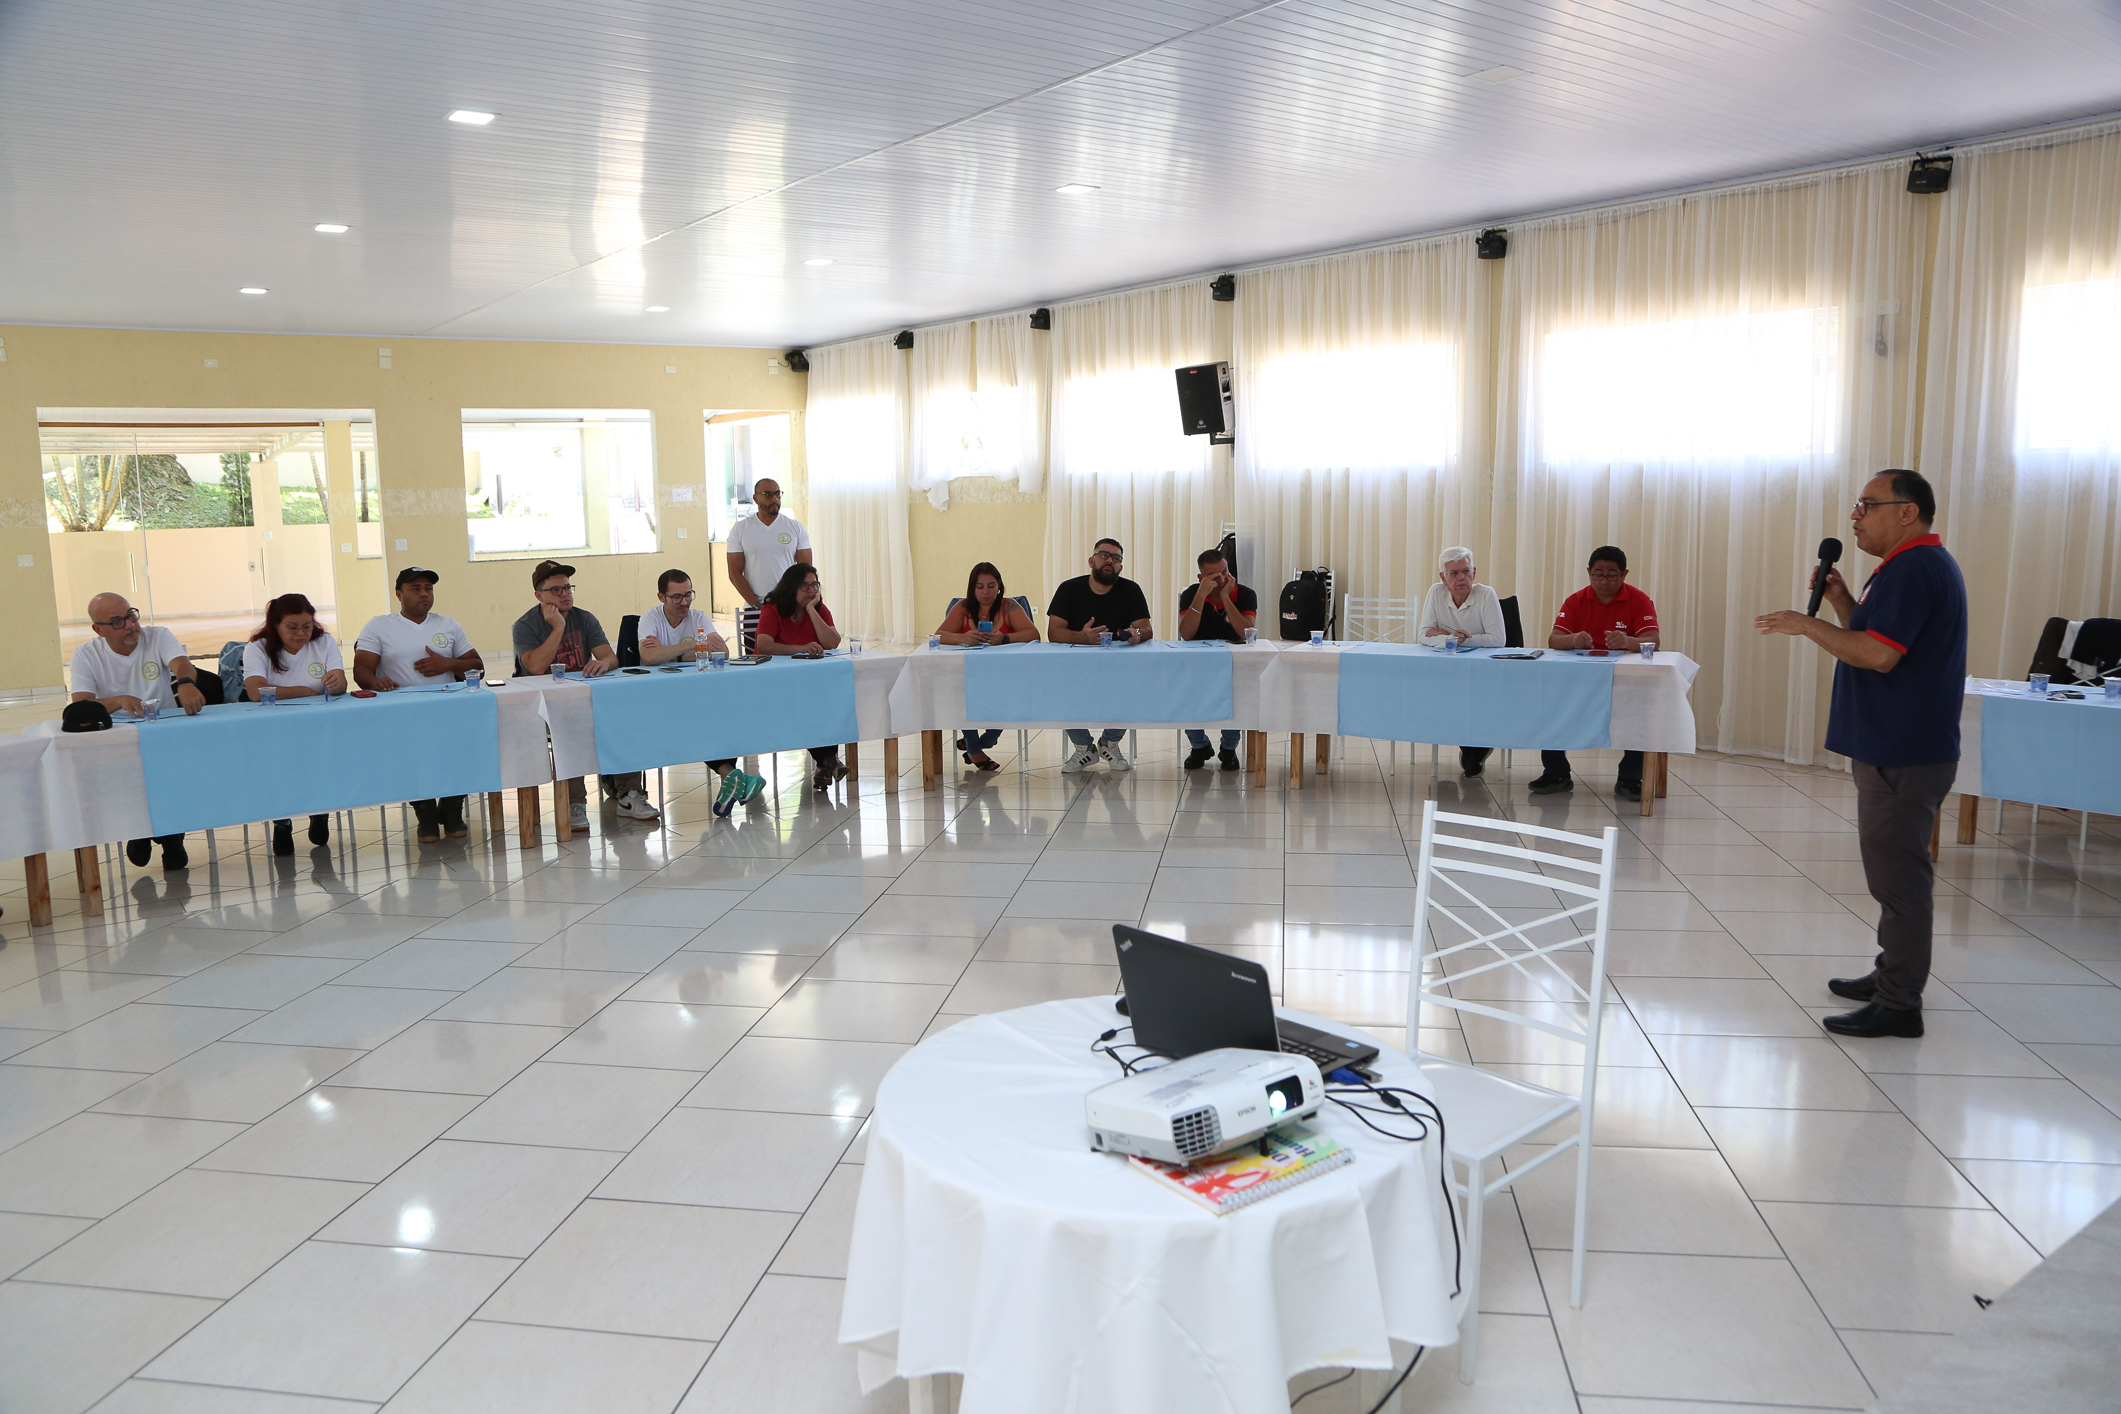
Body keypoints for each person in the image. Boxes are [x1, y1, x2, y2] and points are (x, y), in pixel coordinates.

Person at [1756, 470, 1966, 1039]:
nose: (1855, 517)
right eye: (1856, 506)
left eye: (1867, 506)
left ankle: (1900, 1003)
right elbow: (1879, 637)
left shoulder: (1915, 569)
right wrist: (1845, 601)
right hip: (1892, 742)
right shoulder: (1901, 568)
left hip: (1903, 748)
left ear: (1907, 512)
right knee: (1891, 874)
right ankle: (1891, 973)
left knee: (1899, 878)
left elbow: (1877, 656)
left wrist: (1806, 624)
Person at [513, 559, 660, 828]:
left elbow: (609, 657)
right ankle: (574, 802)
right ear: (539, 596)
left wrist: (604, 662)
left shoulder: (584, 617)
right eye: (556, 590)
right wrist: (557, 627)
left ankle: (629, 794)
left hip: (584, 695)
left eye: (568, 588)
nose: (565, 594)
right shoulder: (525, 625)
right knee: (567, 727)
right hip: (545, 703)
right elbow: (535, 667)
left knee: (623, 720)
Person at [68, 592, 203, 869]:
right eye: (117, 622)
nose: (130, 625)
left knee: (174, 774)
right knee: (129, 780)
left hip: (165, 731)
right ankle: (139, 830)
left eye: (131, 615)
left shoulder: (158, 636)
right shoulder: (86, 654)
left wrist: (185, 682)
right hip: (117, 737)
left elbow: (180, 663)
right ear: (99, 630)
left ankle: (172, 837)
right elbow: (81, 704)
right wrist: (118, 700)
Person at [353, 567, 485, 843]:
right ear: (399, 594)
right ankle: (425, 814)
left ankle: (451, 810)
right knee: (412, 762)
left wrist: (448, 663)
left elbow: (477, 667)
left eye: (429, 588)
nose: (424, 594)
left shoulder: (447, 624)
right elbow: (361, 670)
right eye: (416, 588)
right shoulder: (379, 626)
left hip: (448, 705)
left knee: (458, 756)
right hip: (403, 709)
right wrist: (377, 682)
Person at [639, 568, 765, 818]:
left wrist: (669, 651)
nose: (684, 602)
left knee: (725, 717)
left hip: (700, 690)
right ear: (661, 596)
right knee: (696, 722)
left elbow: (723, 654)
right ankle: (731, 777)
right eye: (676, 597)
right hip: (662, 695)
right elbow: (649, 657)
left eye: (688, 595)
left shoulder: (699, 617)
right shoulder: (649, 618)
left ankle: (730, 777)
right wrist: (693, 646)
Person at [1535, 546, 1659, 800]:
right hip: (1580, 676)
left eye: (1611, 575)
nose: (1604, 580)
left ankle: (1630, 777)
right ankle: (1556, 772)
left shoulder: (1639, 599)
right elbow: (1554, 639)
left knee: (1640, 711)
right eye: (1598, 574)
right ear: (1589, 572)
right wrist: (1573, 639)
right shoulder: (1576, 600)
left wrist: (1627, 641)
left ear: (1624, 574)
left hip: (1624, 676)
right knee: (1550, 706)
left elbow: (1653, 641)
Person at [242, 592, 346, 855]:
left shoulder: (324, 642)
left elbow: (341, 685)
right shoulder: (258, 648)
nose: (301, 634)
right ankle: (282, 824)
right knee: (280, 773)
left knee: (320, 767)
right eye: (292, 627)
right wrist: (305, 690)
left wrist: (336, 683)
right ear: (275, 626)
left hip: (318, 723)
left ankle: (319, 814)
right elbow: (256, 691)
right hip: (274, 726)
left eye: (307, 626)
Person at [1047, 539, 1154, 774]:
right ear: (1091, 560)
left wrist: (1136, 634)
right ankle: (1085, 748)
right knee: (1059, 687)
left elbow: (1146, 630)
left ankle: (1109, 743)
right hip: (1075, 664)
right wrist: (1082, 637)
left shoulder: (1131, 589)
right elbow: (1053, 632)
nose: (1110, 561)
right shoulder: (1069, 588)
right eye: (1104, 555)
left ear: (1120, 567)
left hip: (1118, 665)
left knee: (1133, 685)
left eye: (1116, 558)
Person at [934, 561, 1040, 770]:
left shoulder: (1009, 606)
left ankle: (985, 741)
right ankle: (974, 748)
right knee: (960, 694)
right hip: (968, 675)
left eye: (991, 586)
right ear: (972, 589)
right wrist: (963, 638)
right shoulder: (963, 607)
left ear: (999, 586)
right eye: (980, 587)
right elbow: (938, 635)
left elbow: (1033, 634)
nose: (986, 592)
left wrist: (1005, 639)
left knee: (1014, 694)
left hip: (1005, 676)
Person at [753, 562, 848, 792]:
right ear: (791, 587)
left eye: (815, 584)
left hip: (808, 680)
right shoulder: (773, 609)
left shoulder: (818, 609)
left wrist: (812, 611)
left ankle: (826, 763)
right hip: (773, 681)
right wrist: (801, 647)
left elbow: (833, 643)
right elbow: (763, 645)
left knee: (826, 701)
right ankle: (828, 760)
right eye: (805, 586)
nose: (811, 590)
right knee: (808, 704)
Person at [1421, 546, 1508, 776]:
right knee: (1441, 695)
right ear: (1443, 577)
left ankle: (1475, 750)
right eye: (1454, 573)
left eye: (1466, 571)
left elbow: (1498, 639)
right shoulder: (1435, 592)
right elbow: (1422, 635)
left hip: (1484, 671)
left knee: (1473, 696)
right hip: (1448, 670)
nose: (1461, 578)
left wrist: (1456, 639)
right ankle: (1473, 750)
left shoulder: (1486, 594)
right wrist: (1453, 640)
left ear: (1474, 573)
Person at [1176, 547, 1255, 771]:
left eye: (1225, 572)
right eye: (1215, 576)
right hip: (1197, 663)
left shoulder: (1246, 593)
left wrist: (1225, 598)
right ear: (1202, 577)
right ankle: (1199, 746)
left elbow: (1246, 633)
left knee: (1233, 700)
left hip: (1234, 662)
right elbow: (1187, 633)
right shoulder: (1192, 593)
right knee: (1188, 698)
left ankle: (1228, 749)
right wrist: (1201, 595)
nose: (1223, 579)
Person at [725, 477, 812, 652]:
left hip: (790, 607)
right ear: (756, 498)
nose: (775, 498)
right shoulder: (741, 529)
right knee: (757, 661)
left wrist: (797, 602)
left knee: (794, 657)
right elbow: (735, 573)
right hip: (756, 609)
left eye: (778, 494)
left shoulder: (795, 527)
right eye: (768, 494)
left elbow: (806, 572)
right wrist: (758, 605)